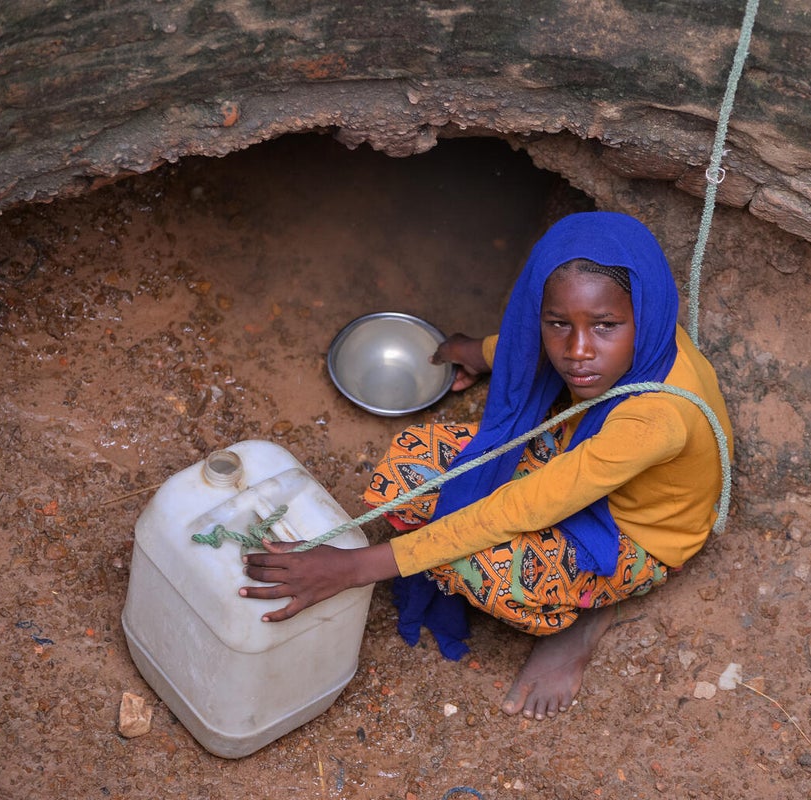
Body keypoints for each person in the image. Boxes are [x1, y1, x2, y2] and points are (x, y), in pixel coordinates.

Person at [240, 211, 732, 720]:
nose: (578, 351)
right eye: (558, 323)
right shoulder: (637, 331)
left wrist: (353, 568)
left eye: (605, 327)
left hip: (636, 531)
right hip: (576, 454)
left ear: (642, 317)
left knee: (485, 567)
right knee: (408, 471)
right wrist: (476, 353)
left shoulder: (657, 420)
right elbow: (526, 343)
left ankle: (588, 618)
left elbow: (519, 509)